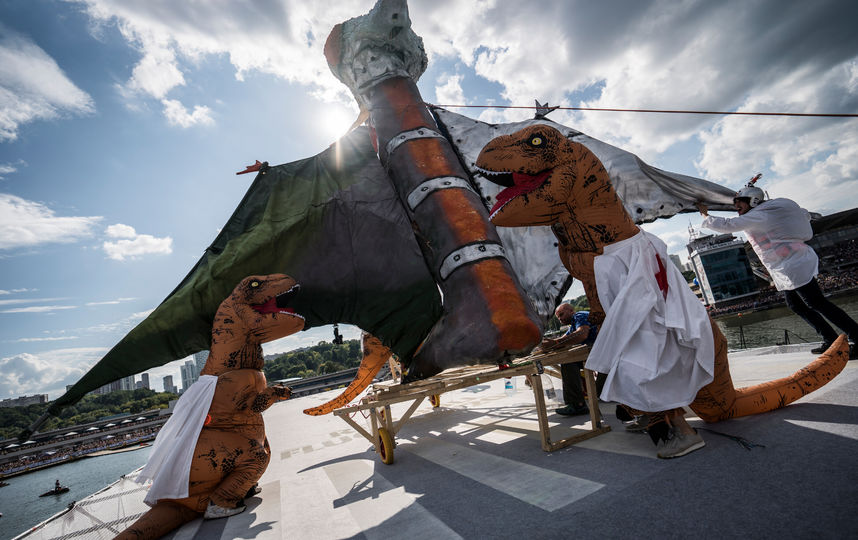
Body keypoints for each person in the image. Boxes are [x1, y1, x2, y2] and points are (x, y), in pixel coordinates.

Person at [696, 179, 858, 359]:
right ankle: (829, 337)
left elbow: (728, 225)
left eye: (739, 202)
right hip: (787, 267)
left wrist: (705, 215)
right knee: (796, 305)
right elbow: (803, 215)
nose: (736, 206)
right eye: (735, 203)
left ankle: (855, 337)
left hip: (793, 265)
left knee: (816, 303)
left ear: (753, 201)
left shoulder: (760, 215)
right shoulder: (767, 211)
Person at [539, 303, 599, 416]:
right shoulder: (573, 326)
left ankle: (577, 405)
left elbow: (582, 334)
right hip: (596, 352)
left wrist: (556, 343)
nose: (560, 319)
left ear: (571, 311)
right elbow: (564, 339)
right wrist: (549, 345)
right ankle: (577, 403)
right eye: (558, 317)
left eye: (561, 314)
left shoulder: (579, 315)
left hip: (602, 351)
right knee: (569, 362)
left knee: (568, 362)